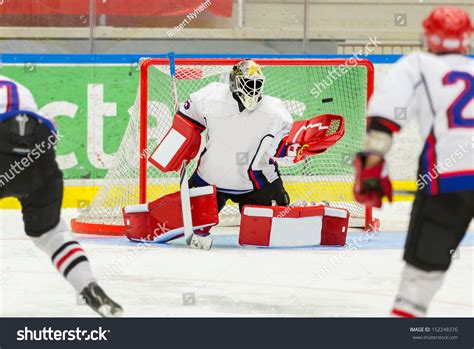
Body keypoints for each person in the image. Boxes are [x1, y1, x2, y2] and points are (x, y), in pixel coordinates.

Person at [353, 7, 473, 317]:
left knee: (419, 280)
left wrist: (372, 164)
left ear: (429, 36)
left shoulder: (417, 64)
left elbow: (384, 120)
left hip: (447, 179)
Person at [0, 76, 123, 317]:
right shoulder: (19, 87)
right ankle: (89, 287)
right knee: (51, 235)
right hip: (38, 159)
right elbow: (50, 130)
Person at [173, 59, 344, 212]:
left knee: (271, 228)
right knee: (187, 221)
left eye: (257, 84)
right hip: (209, 179)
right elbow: (185, 122)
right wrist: (178, 147)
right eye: (248, 84)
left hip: (257, 185)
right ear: (234, 83)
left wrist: (295, 150)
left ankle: (295, 208)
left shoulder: (275, 111)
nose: (253, 90)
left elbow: (278, 152)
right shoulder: (211, 96)